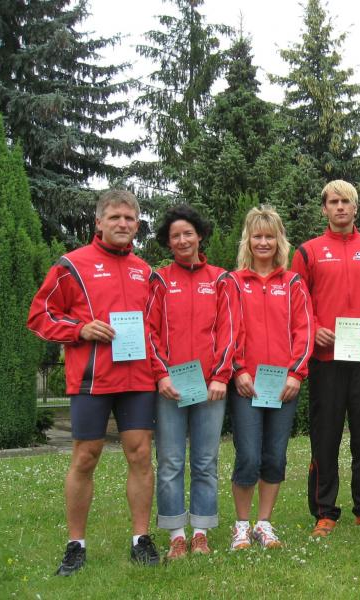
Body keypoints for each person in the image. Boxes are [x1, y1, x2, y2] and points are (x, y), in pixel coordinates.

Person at [27, 190, 159, 575]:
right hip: (90, 379)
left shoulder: (144, 271)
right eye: (115, 217)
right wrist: (80, 329)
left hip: (137, 378)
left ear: (137, 224)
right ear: (98, 222)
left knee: (140, 455)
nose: (122, 224)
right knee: (86, 456)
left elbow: (156, 327)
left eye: (129, 218)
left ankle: (141, 539)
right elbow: (40, 315)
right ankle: (76, 545)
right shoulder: (72, 265)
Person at [291, 180, 360, 537]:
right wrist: (314, 328)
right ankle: (324, 512)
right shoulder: (308, 251)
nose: (340, 207)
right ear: (324, 208)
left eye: (346, 201)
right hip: (326, 358)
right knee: (325, 436)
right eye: (334, 202)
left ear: (355, 208)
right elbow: (298, 300)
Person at [148, 205, 236, 559]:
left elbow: (230, 331)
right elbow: (150, 332)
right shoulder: (159, 280)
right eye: (175, 236)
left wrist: (221, 376)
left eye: (188, 233)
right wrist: (161, 375)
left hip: (211, 387)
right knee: (170, 462)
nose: (182, 240)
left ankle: (200, 532)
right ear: (168, 242)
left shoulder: (220, 279)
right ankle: (176, 536)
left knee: (205, 461)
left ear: (199, 236)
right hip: (170, 387)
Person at [227, 206, 313, 550]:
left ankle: (264, 524)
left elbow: (304, 330)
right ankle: (241, 526)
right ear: (248, 240)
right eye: (257, 236)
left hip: (283, 385)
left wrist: (296, 374)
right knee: (248, 456)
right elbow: (228, 330)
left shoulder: (293, 283)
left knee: (275, 456)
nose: (263, 242)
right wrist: (238, 370)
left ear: (280, 241)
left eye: (269, 236)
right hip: (246, 384)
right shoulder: (233, 282)